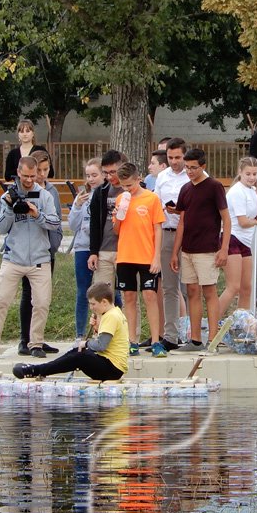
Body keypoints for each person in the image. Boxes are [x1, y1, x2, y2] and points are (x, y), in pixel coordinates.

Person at [0, 155, 61, 358]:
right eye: (26, 176)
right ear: (18, 172)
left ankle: (36, 343)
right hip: (13, 258)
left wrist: (36, 214)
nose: (30, 180)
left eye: (33, 176)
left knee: (41, 303)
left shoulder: (44, 196)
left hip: (39, 259)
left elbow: (54, 223)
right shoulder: (7, 196)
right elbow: (1, 228)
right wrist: (8, 208)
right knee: (1, 301)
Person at [171, 148, 230, 352]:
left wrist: (224, 249)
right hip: (188, 249)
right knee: (192, 291)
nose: (189, 171)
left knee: (209, 292)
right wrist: (175, 252)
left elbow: (226, 219)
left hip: (208, 249)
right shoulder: (185, 189)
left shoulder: (214, 186)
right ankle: (195, 339)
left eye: (193, 168)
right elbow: (181, 222)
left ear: (203, 166)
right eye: (187, 167)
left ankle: (212, 338)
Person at [12, 283, 128, 380]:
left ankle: (36, 370)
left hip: (112, 369)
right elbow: (105, 342)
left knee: (79, 356)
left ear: (104, 302)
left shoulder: (111, 316)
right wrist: (97, 328)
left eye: (93, 304)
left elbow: (101, 345)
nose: (91, 307)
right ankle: (41, 369)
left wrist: (86, 343)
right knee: (76, 351)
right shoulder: (113, 313)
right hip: (110, 364)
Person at [113, 162, 169, 358]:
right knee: (128, 297)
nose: (127, 189)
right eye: (123, 185)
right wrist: (119, 215)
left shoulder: (151, 199)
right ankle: (132, 341)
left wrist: (157, 257)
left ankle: (155, 341)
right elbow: (117, 230)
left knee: (150, 296)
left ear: (138, 179)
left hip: (146, 255)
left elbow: (157, 228)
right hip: (126, 255)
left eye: (130, 185)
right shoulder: (121, 199)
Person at [14, 150, 65, 356]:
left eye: (46, 170)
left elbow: (57, 219)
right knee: (29, 294)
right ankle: (25, 339)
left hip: (46, 250)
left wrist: (55, 243)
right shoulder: (21, 190)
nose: (42, 174)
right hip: (26, 251)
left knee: (43, 297)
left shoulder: (51, 191)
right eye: (39, 170)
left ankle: (39, 339)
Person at [154, 138, 191, 350]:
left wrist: (181, 211)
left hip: (189, 233)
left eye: (178, 157)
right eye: (170, 158)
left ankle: (192, 333)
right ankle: (170, 335)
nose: (175, 161)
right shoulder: (162, 177)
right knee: (169, 286)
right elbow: (156, 203)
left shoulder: (194, 175)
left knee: (191, 287)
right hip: (168, 232)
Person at [218, 157, 257, 314]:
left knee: (247, 287)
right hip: (232, 238)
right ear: (240, 173)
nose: (252, 178)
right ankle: (212, 321)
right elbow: (243, 222)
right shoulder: (237, 191)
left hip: (245, 241)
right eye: (248, 174)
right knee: (234, 286)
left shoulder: (252, 191)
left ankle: (241, 322)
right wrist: (254, 221)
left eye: (255, 174)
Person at [68, 157, 104, 340]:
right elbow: (73, 225)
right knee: (83, 291)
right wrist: (77, 206)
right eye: (88, 175)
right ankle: (80, 334)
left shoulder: (107, 194)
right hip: (83, 247)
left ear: (103, 174)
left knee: (108, 290)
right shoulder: (82, 196)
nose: (91, 179)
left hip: (103, 247)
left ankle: (110, 330)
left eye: (95, 175)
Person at [87, 149, 126, 289]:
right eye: (105, 173)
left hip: (126, 250)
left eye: (113, 172)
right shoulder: (100, 191)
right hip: (104, 249)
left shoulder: (132, 191)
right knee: (102, 295)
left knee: (129, 296)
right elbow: (95, 224)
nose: (109, 177)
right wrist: (93, 252)